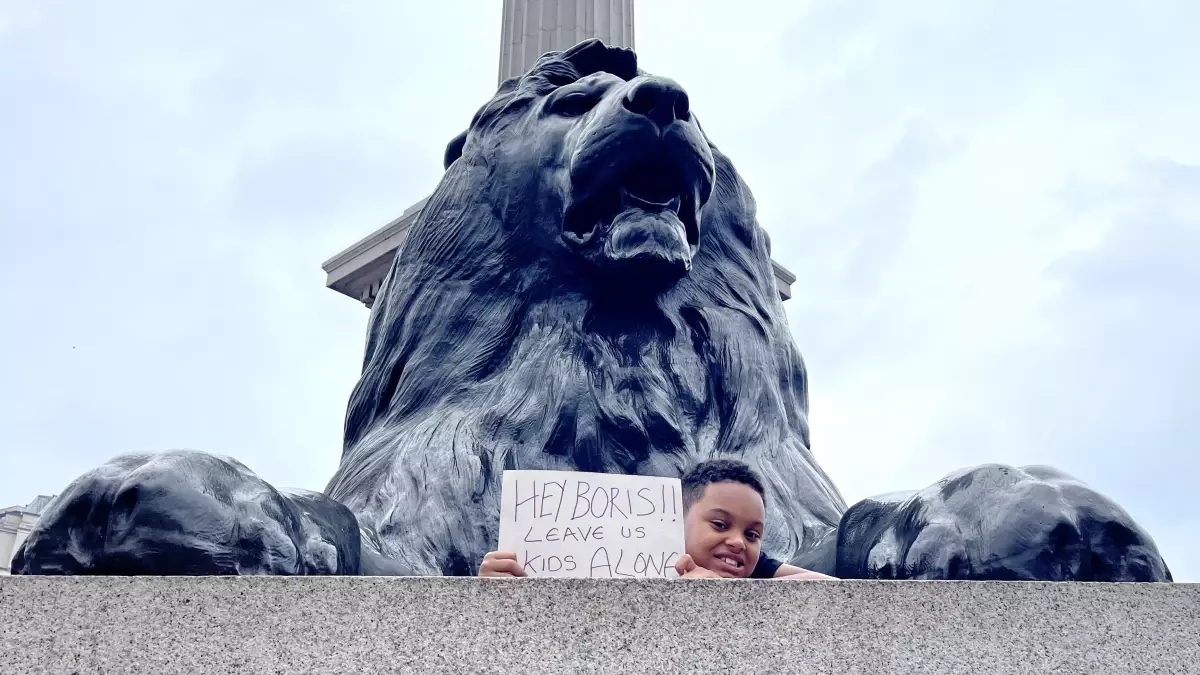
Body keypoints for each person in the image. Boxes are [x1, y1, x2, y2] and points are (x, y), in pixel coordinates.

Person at [479, 458, 835, 580]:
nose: (739, 542)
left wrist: (735, 594)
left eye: (753, 534)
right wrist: (495, 585)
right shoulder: (636, 554)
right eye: (721, 525)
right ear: (675, 520)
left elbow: (835, 592)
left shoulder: (746, 572)